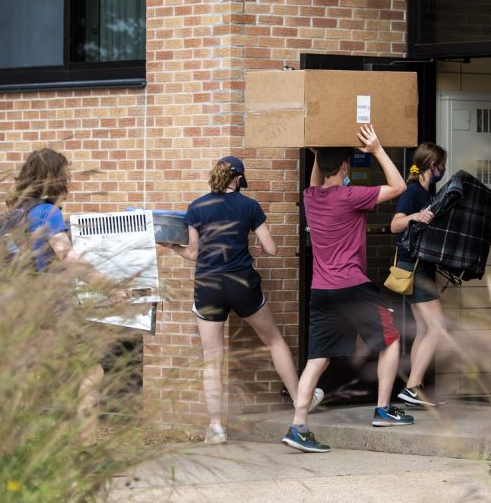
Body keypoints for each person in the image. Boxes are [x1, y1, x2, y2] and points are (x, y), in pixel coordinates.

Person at [167, 155, 323, 445]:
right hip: (242, 283)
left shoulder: (196, 207)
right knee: (274, 340)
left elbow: (193, 254)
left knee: (212, 359)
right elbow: (272, 249)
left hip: (208, 286)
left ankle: (215, 428)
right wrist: (259, 248)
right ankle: (300, 399)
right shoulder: (249, 205)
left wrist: (171, 247)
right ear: (238, 179)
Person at [282, 124, 409, 454]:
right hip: (353, 286)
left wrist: (317, 157)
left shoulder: (311, 198)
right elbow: (399, 186)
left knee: (317, 359)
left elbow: (315, 182)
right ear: (344, 167)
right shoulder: (352, 196)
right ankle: (383, 410)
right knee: (391, 338)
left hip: (321, 291)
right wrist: (378, 149)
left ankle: (298, 426)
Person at [7, 148, 128, 442]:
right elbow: (66, 254)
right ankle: (85, 450)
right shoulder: (47, 213)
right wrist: (108, 285)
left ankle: (10, 448)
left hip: (17, 304)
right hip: (49, 305)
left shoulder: (12, 214)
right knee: (91, 371)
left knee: (29, 376)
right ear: (55, 178)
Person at [389, 142, 450, 408]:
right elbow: (395, 224)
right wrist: (416, 216)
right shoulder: (412, 192)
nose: (443, 170)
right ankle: (412, 388)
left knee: (425, 329)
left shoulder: (427, 193)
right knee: (438, 328)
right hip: (415, 269)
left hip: (419, 268)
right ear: (431, 166)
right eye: (441, 165)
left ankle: (413, 387)